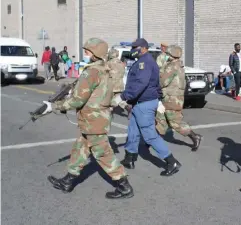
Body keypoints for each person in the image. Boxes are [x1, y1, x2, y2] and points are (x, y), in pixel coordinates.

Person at [42, 38, 134, 199]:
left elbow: (78, 100)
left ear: (95, 53)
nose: (85, 53)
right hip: (96, 118)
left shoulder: (91, 72)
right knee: (81, 149)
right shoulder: (105, 69)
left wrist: (54, 107)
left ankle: (124, 185)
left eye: (87, 51)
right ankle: (68, 181)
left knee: (103, 154)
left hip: (94, 121)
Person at [112, 38, 181, 176]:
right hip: (139, 103)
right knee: (133, 131)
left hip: (144, 104)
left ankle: (171, 161)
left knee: (150, 135)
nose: (133, 50)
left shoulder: (145, 63)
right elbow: (154, 84)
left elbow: (140, 85)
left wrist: (123, 97)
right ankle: (129, 158)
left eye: (135, 48)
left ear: (143, 48)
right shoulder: (143, 61)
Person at [156, 45, 203, 151]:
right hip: (172, 98)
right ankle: (153, 140)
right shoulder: (178, 65)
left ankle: (195, 136)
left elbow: (162, 82)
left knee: (175, 122)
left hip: (171, 99)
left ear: (171, 54)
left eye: (167, 54)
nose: (166, 55)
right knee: (160, 118)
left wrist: (159, 70)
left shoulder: (171, 66)